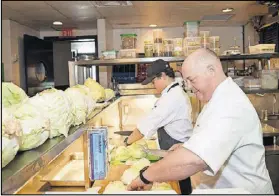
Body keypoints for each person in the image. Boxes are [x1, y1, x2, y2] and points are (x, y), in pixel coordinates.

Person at [127, 48, 274, 194]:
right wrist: (187, 146)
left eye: (192, 80)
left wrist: (146, 176)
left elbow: (195, 160)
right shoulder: (217, 99)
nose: (189, 87)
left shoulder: (229, 105)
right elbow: (213, 139)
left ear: (211, 70)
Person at [123, 59, 193, 194]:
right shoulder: (173, 93)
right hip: (176, 151)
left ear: (163, 76)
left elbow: (146, 125)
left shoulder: (172, 97)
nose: (153, 85)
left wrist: (126, 142)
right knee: (180, 185)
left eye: (154, 81)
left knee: (180, 188)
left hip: (176, 152)